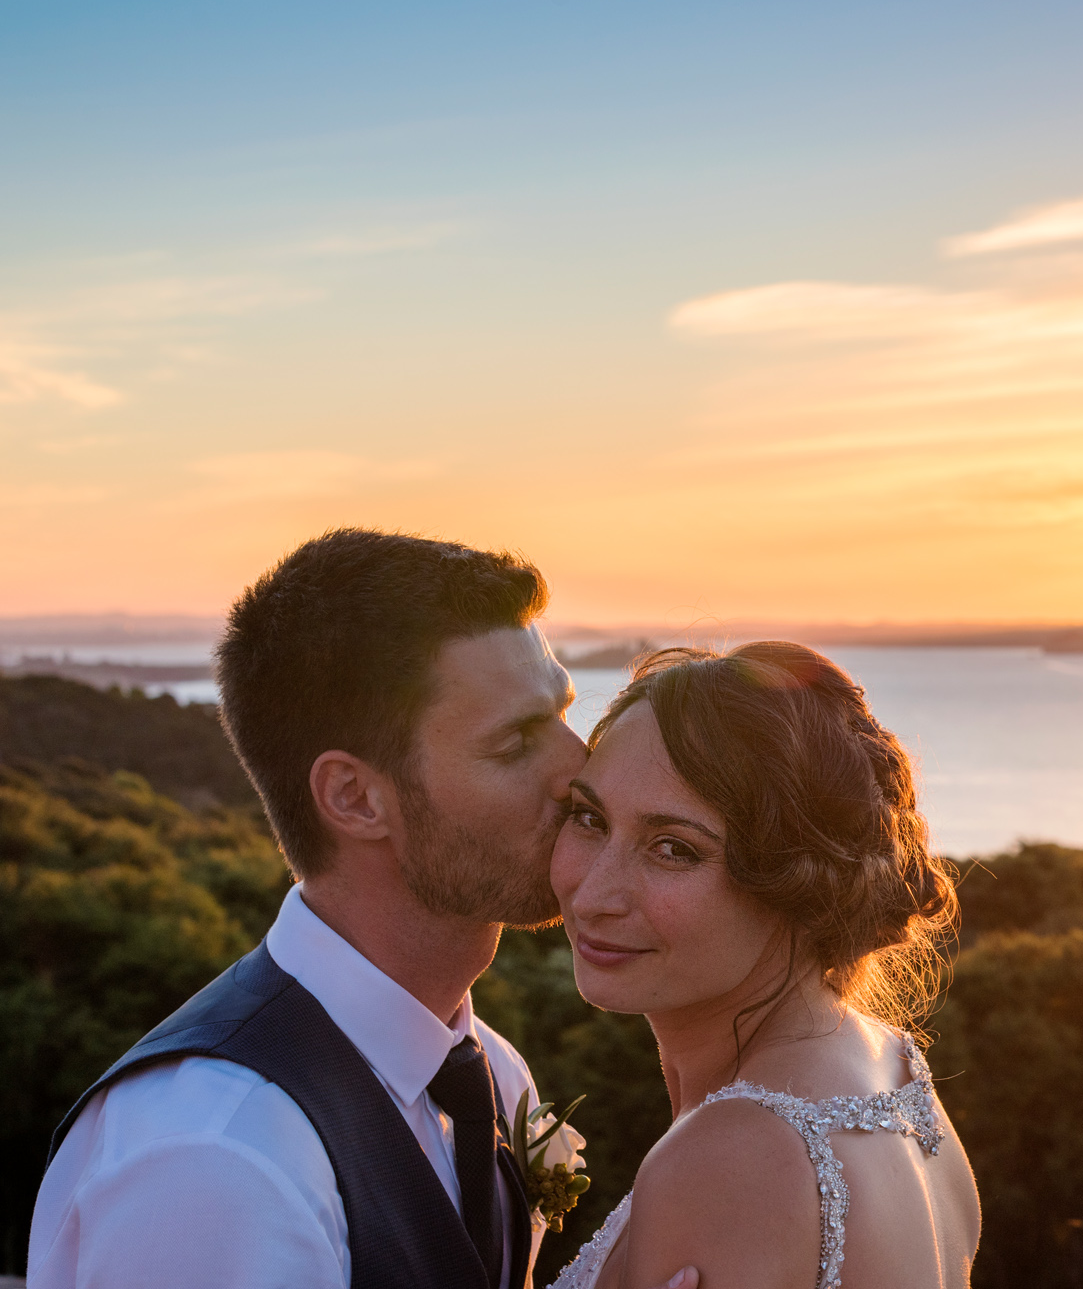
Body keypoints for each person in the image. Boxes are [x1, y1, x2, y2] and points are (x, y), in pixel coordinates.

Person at [28, 528, 697, 1289]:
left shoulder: (496, 1077)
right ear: (354, 798)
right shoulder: (216, 1155)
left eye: (562, 715)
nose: (578, 771)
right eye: (515, 742)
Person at [546, 642, 980, 1289]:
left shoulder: (731, 1158)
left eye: (673, 848)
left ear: (795, 879)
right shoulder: (892, 1066)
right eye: (589, 817)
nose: (592, 892)